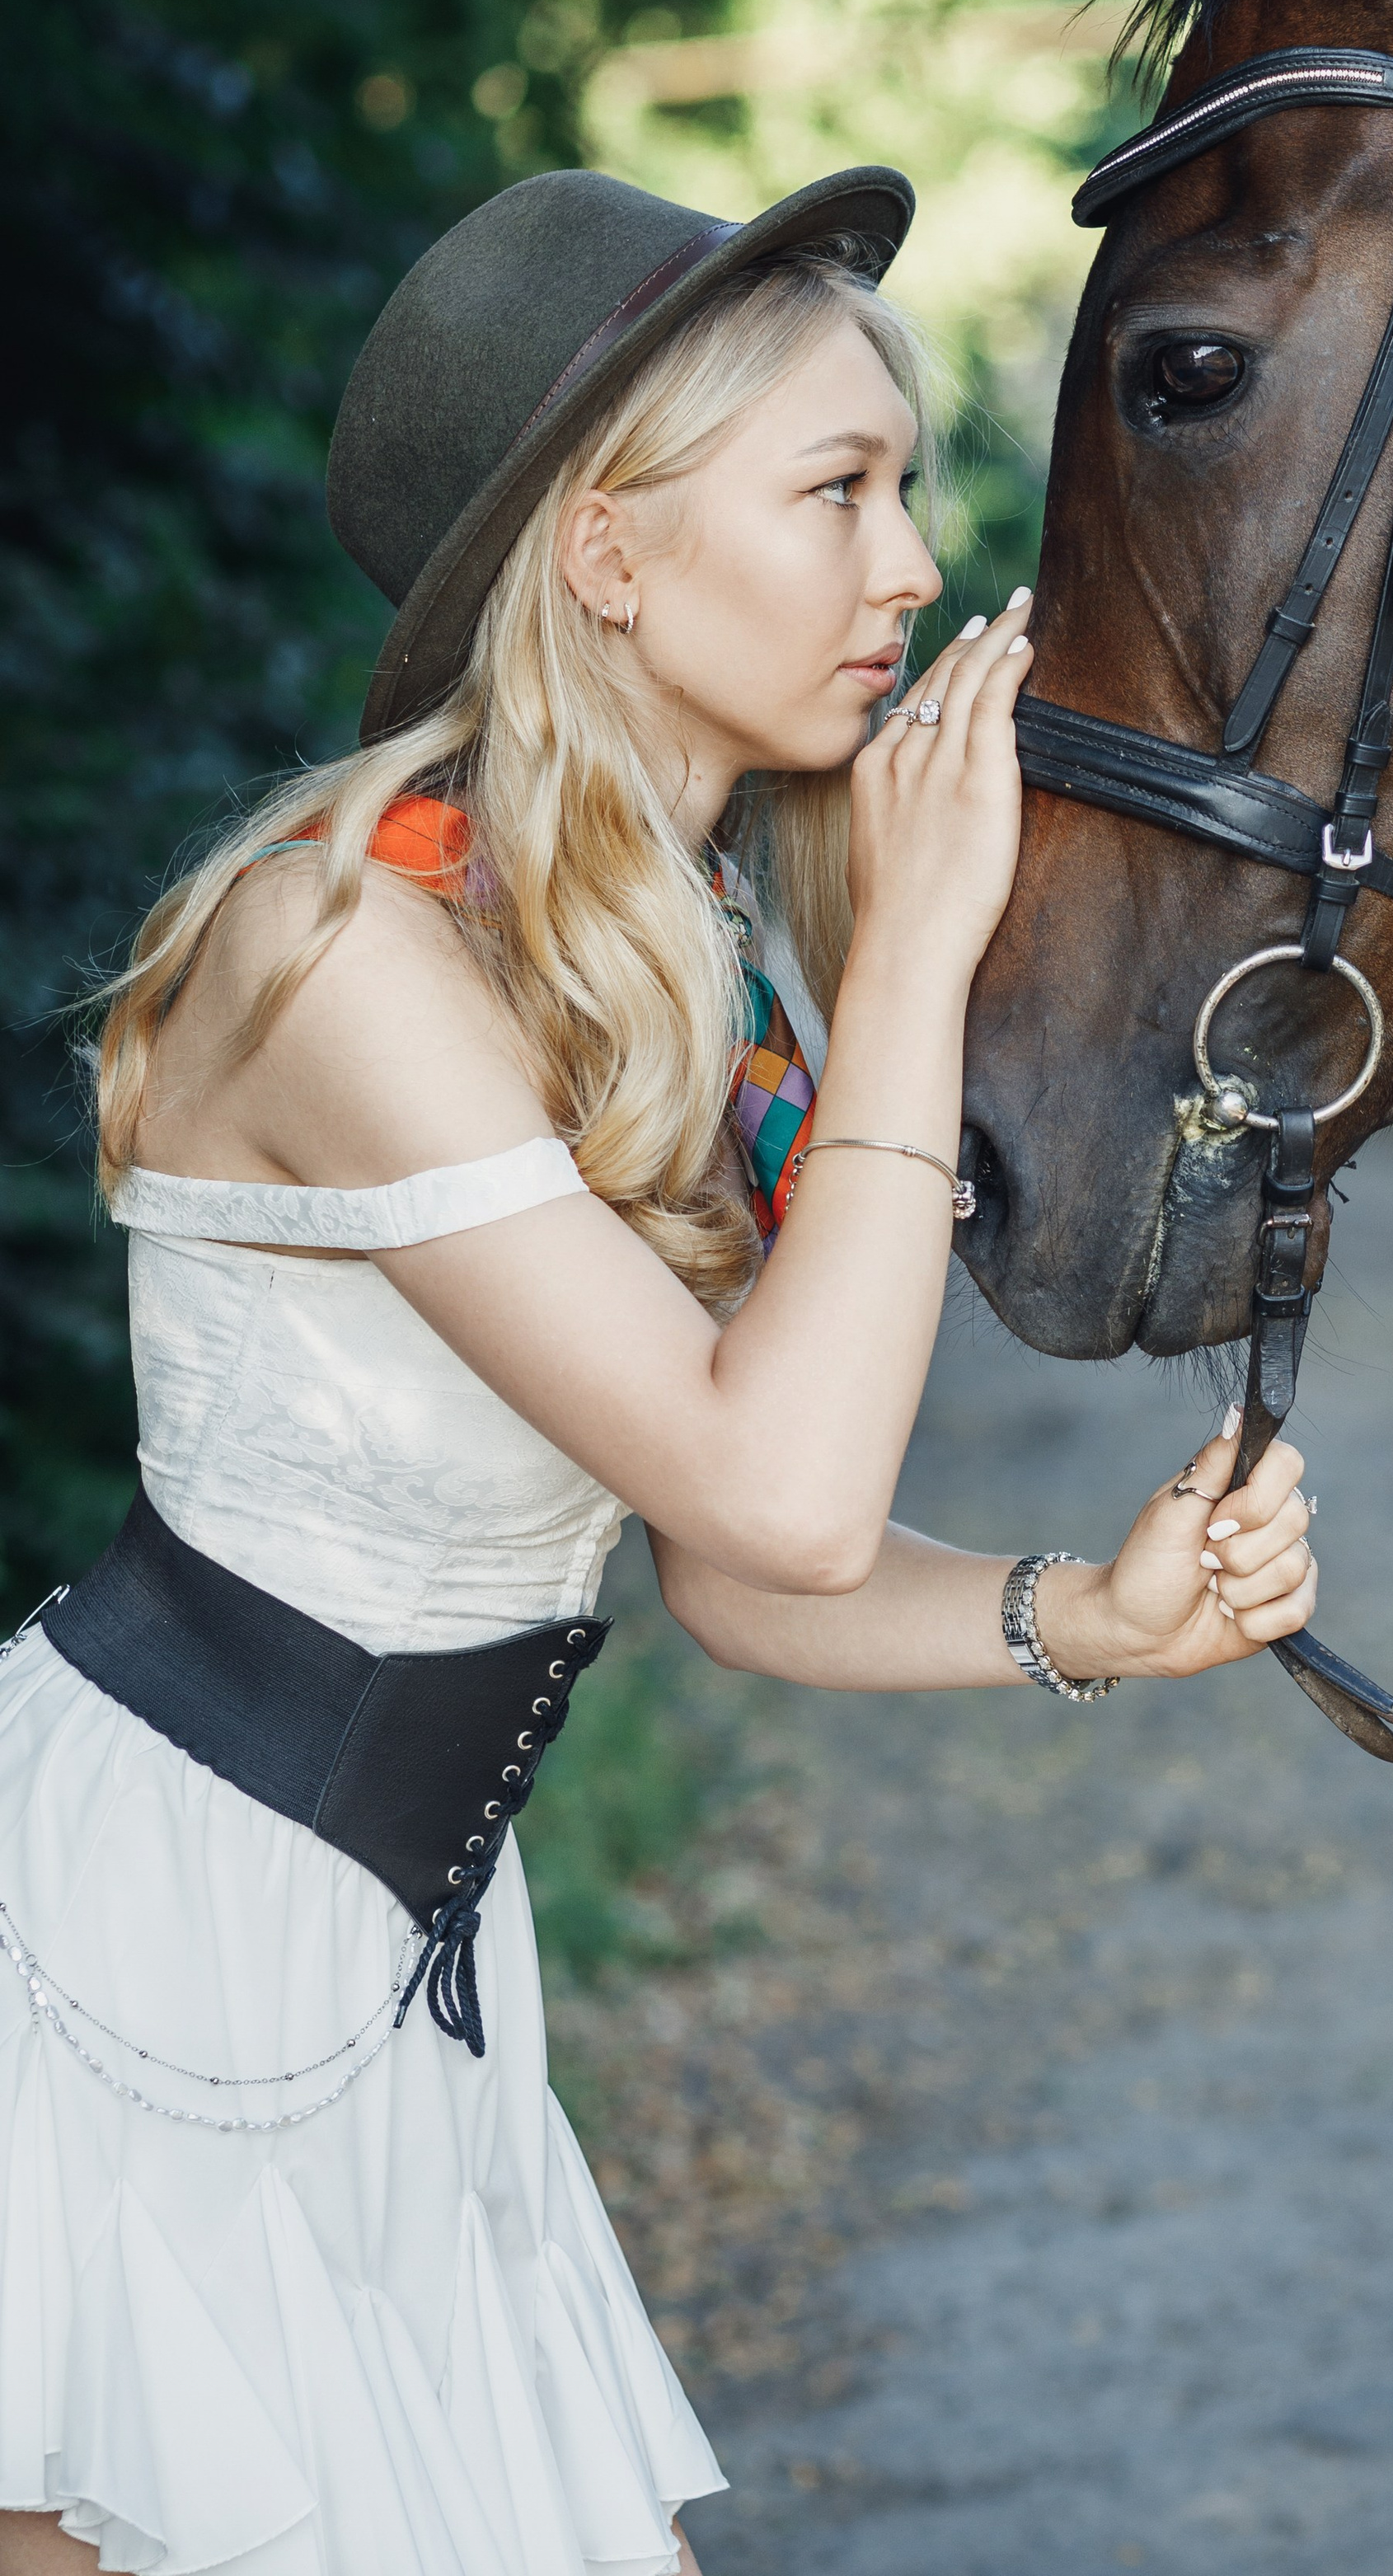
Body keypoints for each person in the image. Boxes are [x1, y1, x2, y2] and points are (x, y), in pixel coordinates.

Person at [0, 166, 1316, 2574]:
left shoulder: (663, 951)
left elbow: (734, 1567)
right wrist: (914, 963)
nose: (914, 569)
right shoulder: (342, 953)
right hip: (148, 1940)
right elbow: (783, 1493)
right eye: (836, 490)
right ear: (603, 554)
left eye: (900, 489)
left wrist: (1077, 1619)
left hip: (388, 1963)